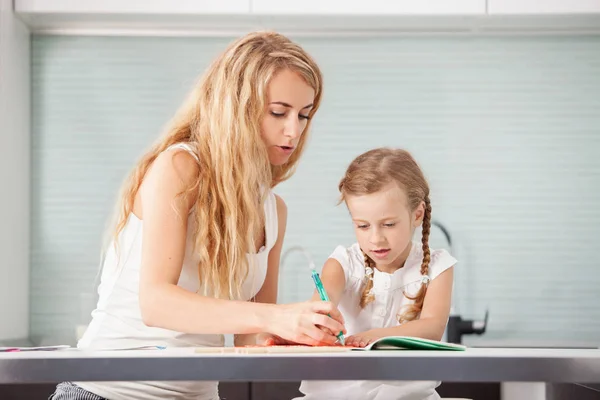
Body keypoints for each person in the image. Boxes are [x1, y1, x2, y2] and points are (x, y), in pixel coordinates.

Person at [49, 31, 346, 400]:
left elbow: (248, 337)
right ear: (237, 107)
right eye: (278, 112)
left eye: (303, 115)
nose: (294, 131)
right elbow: (155, 303)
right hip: (109, 392)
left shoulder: (273, 209)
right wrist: (275, 316)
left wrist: (298, 335)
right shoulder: (180, 167)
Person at [295, 148, 457, 400]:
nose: (375, 238)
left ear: (417, 214)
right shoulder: (342, 263)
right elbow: (318, 309)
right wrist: (318, 321)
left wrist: (372, 338)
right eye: (362, 226)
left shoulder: (438, 267)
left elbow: (432, 327)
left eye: (388, 224)